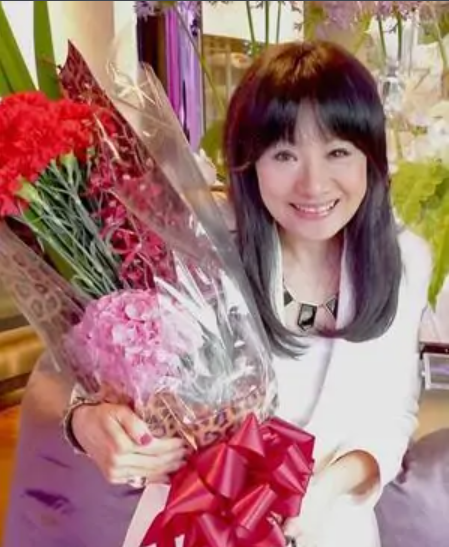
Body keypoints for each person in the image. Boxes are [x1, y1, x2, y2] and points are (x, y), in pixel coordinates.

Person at [4, 40, 432, 547]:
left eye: (337, 151)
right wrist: (88, 423)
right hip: (194, 526)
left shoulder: (404, 261)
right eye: (285, 154)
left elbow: (391, 418)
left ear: (370, 158)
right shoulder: (199, 244)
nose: (314, 184)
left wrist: (321, 492)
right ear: (249, 161)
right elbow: (101, 366)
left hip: (330, 526)